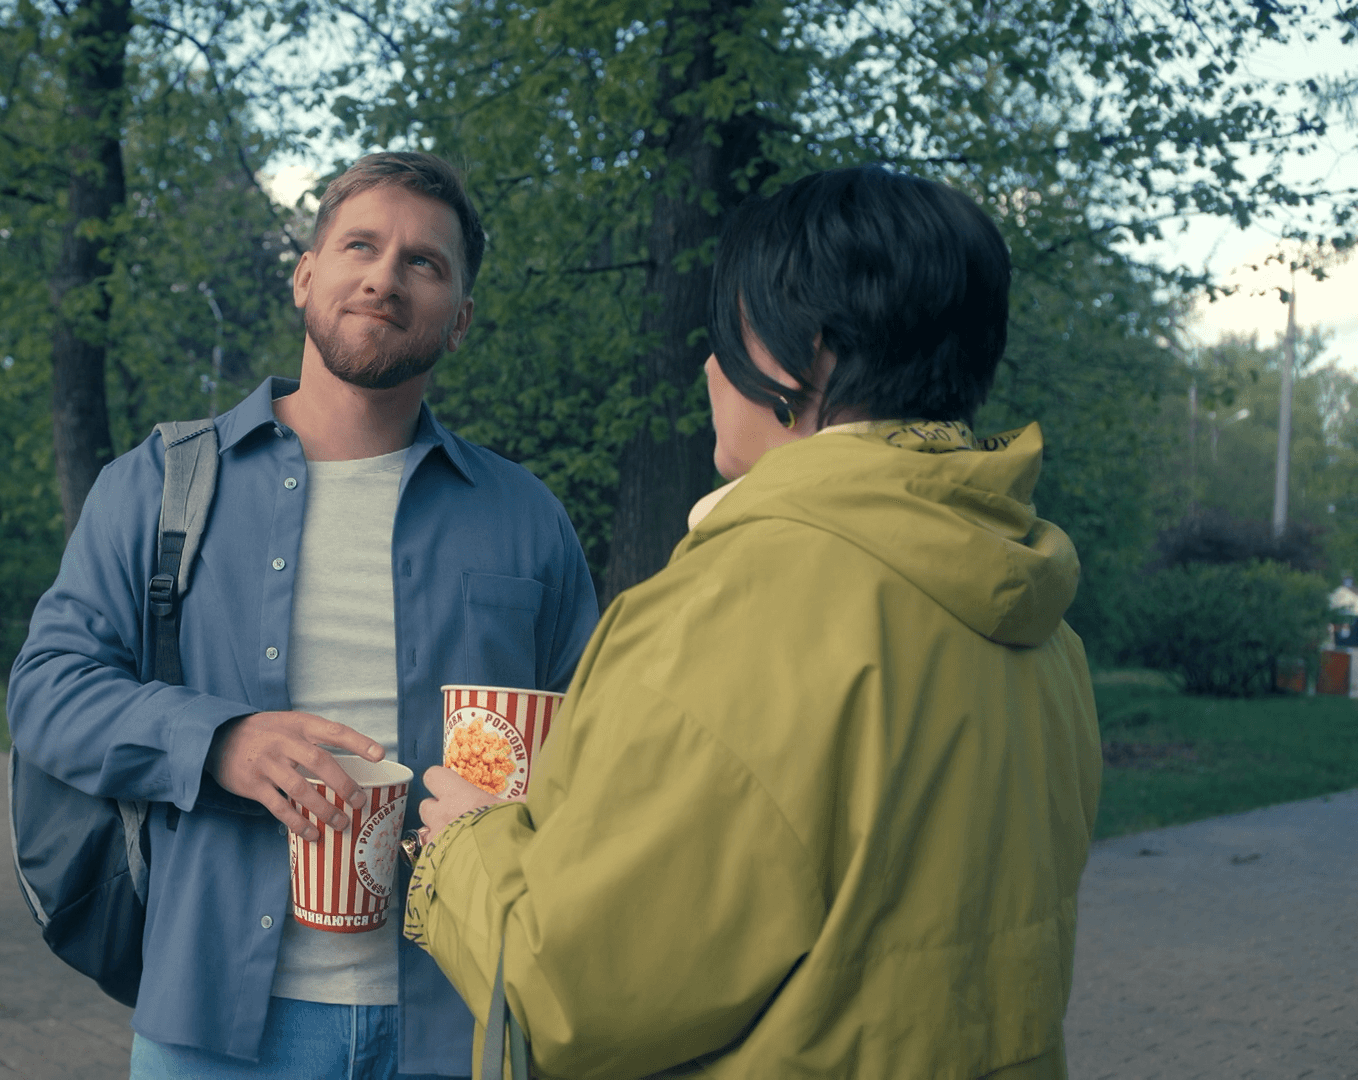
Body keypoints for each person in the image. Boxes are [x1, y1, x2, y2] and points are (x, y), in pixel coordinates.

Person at [406, 165, 1102, 1079]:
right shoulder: (1040, 624)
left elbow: (572, 989)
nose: (706, 368)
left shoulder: (730, 613)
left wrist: (459, 845)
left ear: (802, 356)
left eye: (724, 334)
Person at [8, 151, 600, 1080]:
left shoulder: (527, 518)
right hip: (215, 1023)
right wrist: (217, 742)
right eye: (361, 245)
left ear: (460, 321)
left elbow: (595, 747)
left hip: (461, 1020)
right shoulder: (161, 486)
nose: (384, 277)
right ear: (305, 276)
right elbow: (45, 691)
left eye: (424, 263)